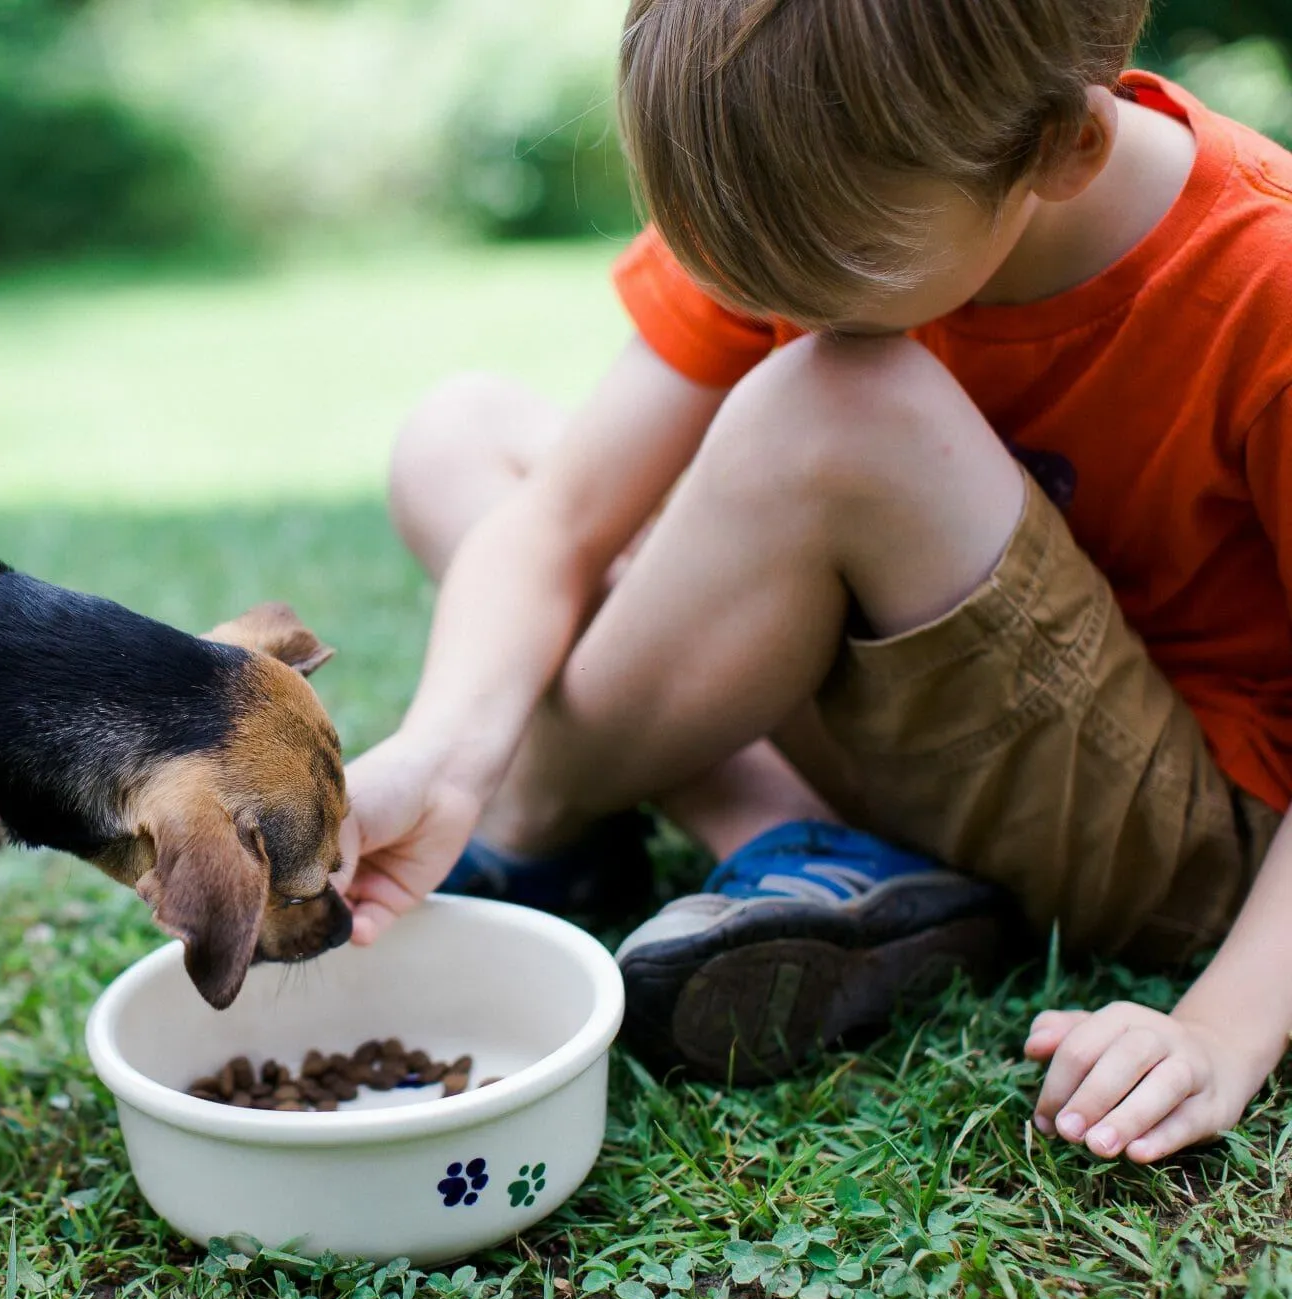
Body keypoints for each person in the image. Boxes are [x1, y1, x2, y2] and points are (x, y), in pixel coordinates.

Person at [336, 0, 1292, 1165]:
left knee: (840, 405)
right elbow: (556, 524)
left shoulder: (1262, 281)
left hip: (1158, 830)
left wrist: (1221, 1028)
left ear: (1060, 148)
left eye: (829, 283)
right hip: (913, 706)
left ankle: (544, 815)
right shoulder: (815, 182)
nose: (777, 307)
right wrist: (441, 751)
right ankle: (801, 846)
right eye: (735, 270)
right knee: (461, 436)